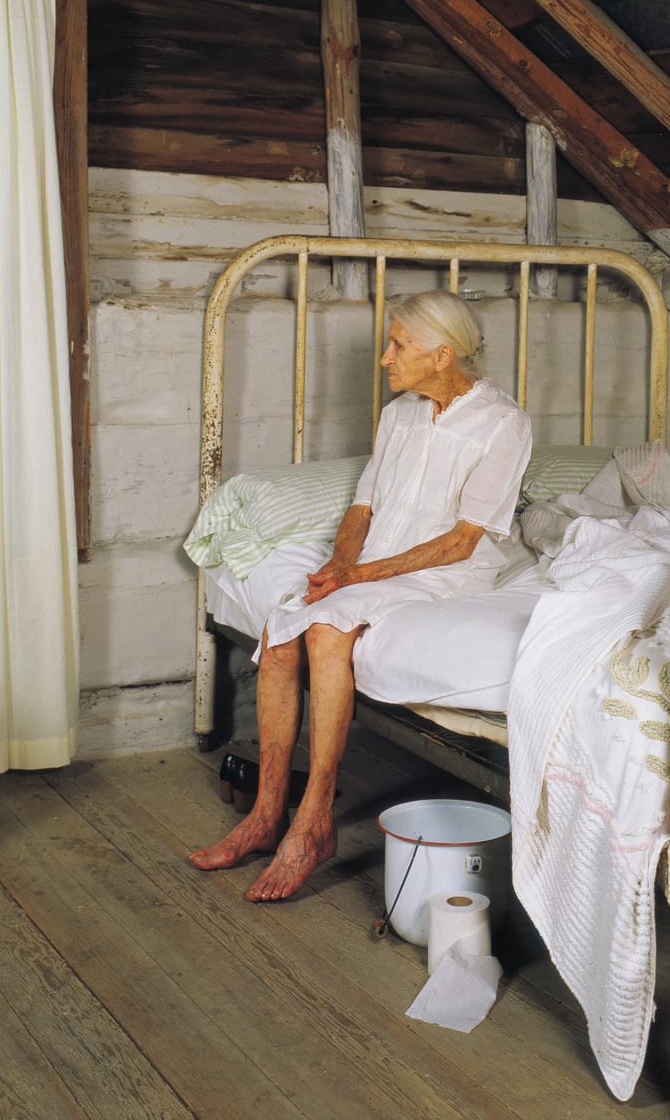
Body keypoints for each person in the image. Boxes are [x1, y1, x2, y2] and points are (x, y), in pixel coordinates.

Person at [189, 289, 532, 901]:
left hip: (447, 572)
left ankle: (313, 822)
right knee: (281, 628)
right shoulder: (399, 413)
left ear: (443, 355)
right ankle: (268, 813)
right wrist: (341, 563)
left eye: (399, 344)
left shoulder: (503, 424)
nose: (385, 357)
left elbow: (461, 542)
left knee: (324, 629)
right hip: (377, 565)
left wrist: (358, 581)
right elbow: (362, 505)